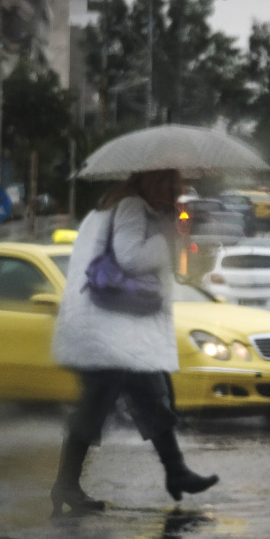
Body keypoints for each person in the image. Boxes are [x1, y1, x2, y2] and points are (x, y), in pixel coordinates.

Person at [49, 169, 218, 516]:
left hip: (110, 329)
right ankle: (67, 484)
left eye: (176, 186)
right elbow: (130, 259)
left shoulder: (107, 209)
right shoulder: (130, 207)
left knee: (149, 397)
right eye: (169, 184)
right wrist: (165, 237)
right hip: (113, 333)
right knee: (99, 406)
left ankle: (176, 472)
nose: (174, 191)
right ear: (149, 181)